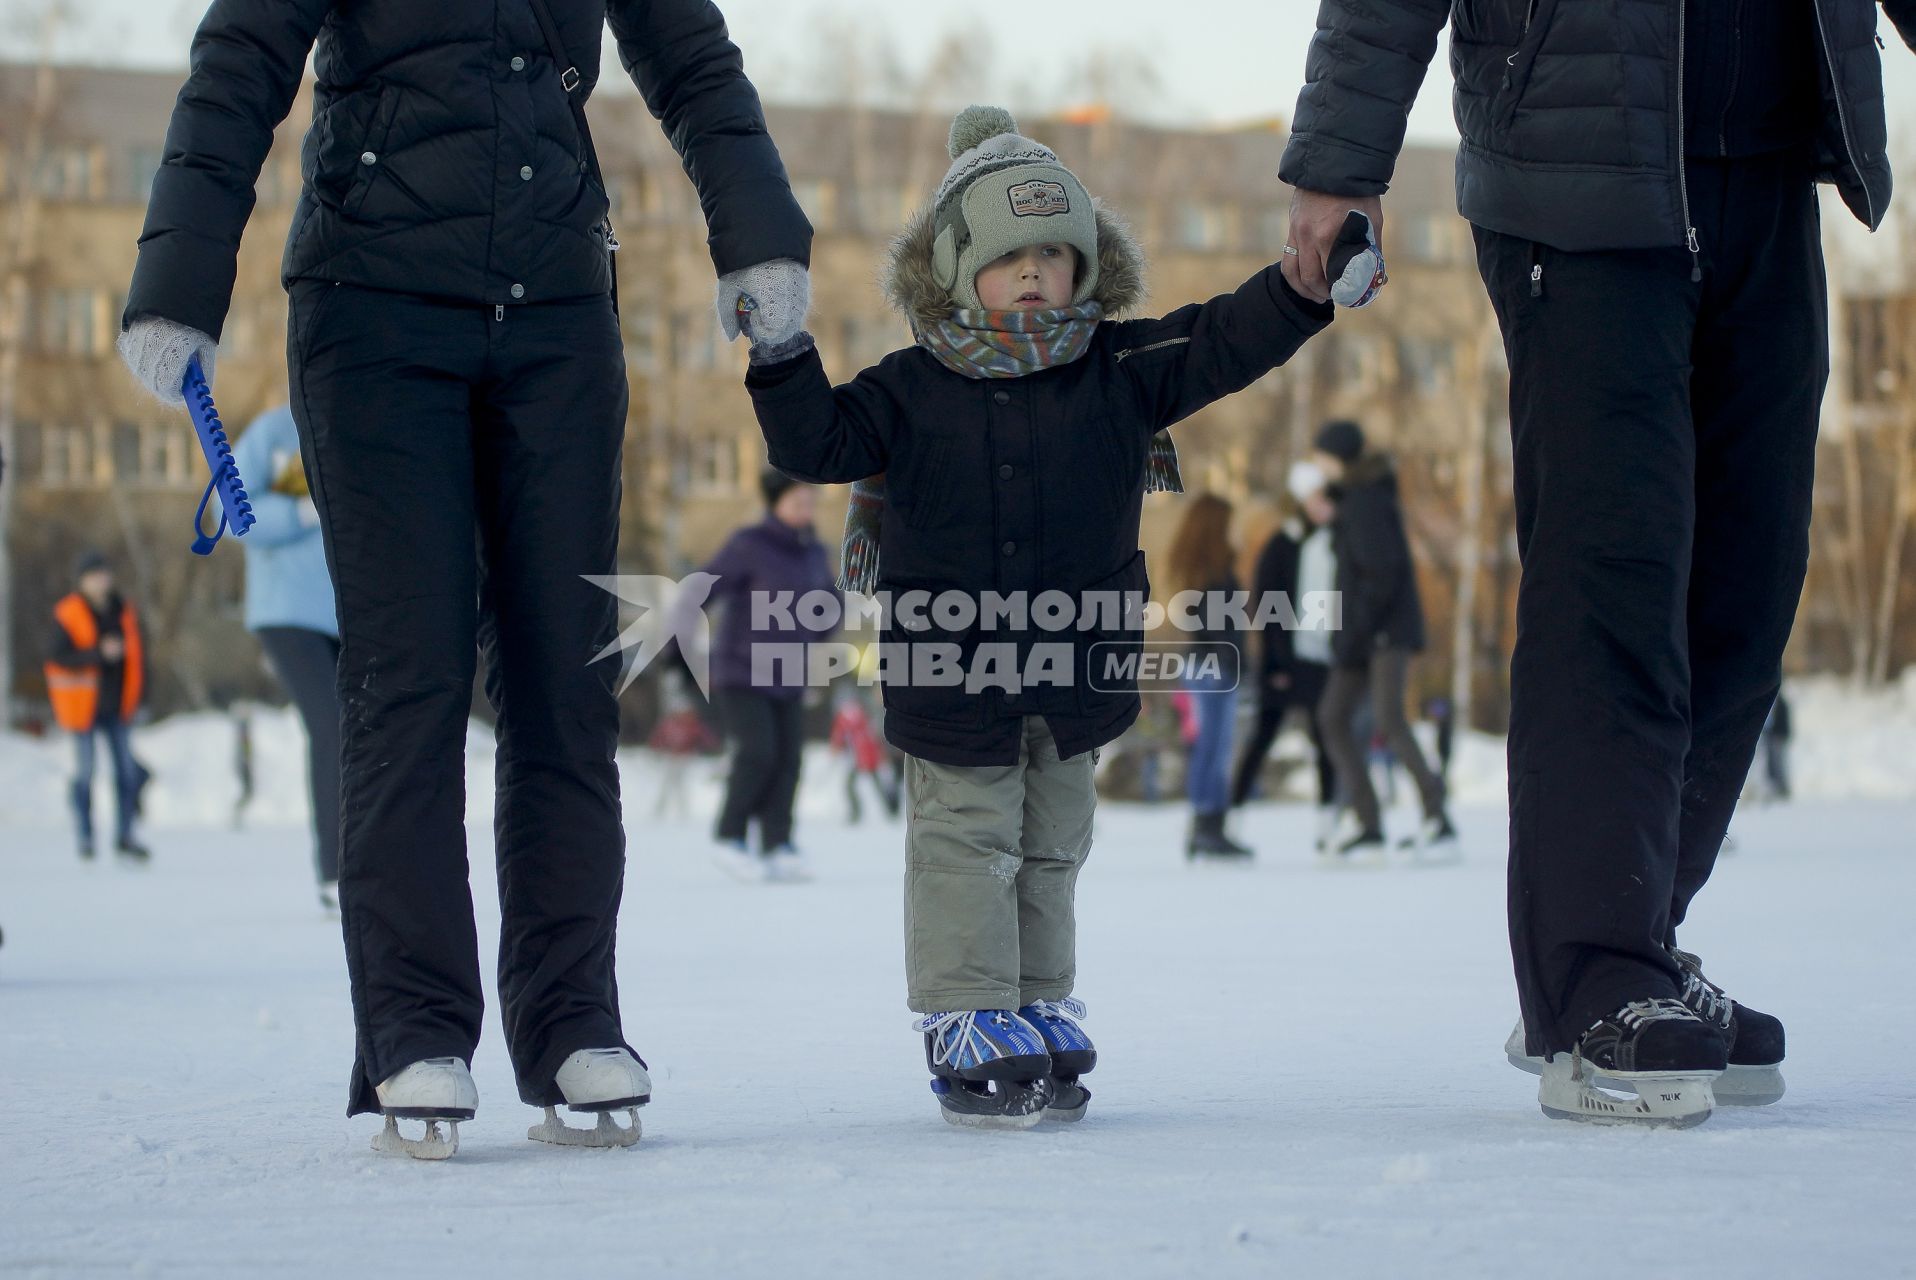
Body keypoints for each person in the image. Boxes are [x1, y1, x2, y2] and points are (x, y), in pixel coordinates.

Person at [116, 0, 814, 1157]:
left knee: (564, 677)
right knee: (409, 677)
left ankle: (573, 1018)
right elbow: (241, 58)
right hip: (372, 309)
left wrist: (757, 234)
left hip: (557, 312)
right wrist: (179, 282)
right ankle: (415, 1031)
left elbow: (691, 59)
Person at [1281, 0, 1913, 1125]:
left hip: (1767, 171)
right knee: (1611, 583)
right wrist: (1339, 157)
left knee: (1746, 587)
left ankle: (1638, 938)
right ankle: (1591, 974)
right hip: (1576, 177)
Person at [738, 106, 1333, 1127]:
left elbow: (1221, 341)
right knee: (967, 837)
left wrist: (1298, 289)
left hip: (1074, 668)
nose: (1032, 274)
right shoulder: (908, 388)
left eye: (1054, 255)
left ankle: (1034, 996)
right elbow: (819, 441)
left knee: (1053, 839)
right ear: (955, 266)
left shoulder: (1119, 371)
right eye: (1009, 256)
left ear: (1085, 268)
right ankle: (964, 1011)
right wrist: (780, 346)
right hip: (950, 670)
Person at [1309, 421, 1453, 857]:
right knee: (1332, 716)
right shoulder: (1351, 500)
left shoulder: (1366, 501)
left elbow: (1380, 574)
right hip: (1361, 632)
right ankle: (1368, 823)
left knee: (1390, 720)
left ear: (1337, 456)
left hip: (1383, 631)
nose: (1316, 464)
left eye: (1320, 455)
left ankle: (1438, 820)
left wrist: (1355, 631)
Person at [701, 469, 840, 883]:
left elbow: (826, 604)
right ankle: (730, 837)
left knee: (789, 760)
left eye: (810, 501)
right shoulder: (749, 545)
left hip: (789, 672)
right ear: (775, 504)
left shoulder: (814, 551)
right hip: (742, 670)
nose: (806, 509)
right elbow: (705, 588)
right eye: (797, 502)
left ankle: (778, 844)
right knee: (757, 752)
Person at [232, 405, 341, 912]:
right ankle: (336, 871)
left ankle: (373, 862)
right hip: (286, 610)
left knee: (373, 735)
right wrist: (301, 511)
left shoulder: (365, 418)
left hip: (354, 611)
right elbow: (229, 514)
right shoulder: (273, 431)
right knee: (331, 726)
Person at [1231, 461, 1337, 845]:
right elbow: (1266, 605)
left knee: (1327, 741)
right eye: (1316, 499)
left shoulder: (1328, 544)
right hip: (1284, 662)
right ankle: (1233, 817)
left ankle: (1328, 825)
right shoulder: (1282, 545)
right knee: (1262, 738)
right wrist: (1276, 662)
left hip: (1319, 661)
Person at [45, 551, 150, 863]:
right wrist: (97, 654)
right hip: (83, 708)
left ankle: (125, 836)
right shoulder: (69, 613)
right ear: (82, 581)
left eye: (103, 574)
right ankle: (85, 836)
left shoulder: (122, 611)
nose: (100, 581)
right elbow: (57, 657)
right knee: (87, 773)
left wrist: (142, 696)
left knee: (127, 774)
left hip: (118, 705)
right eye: (93, 576)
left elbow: (138, 659)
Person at [1168, 494, 1254, 860]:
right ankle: (1208, 825)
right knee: (1214, 749)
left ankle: (1207, 823)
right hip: (1215, 667)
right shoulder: (1215, 572)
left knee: (1211, 748)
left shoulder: (1200, 568)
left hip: (1206, 664)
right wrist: (1235, 665)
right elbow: (1221, 627)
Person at [1762, 689, 1793, 803]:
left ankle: (1781, 789)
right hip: (1777, 736)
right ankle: (1778, 787)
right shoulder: (1781, 703)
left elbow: (1777, 722)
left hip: (1777, 737)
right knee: (1775, 762)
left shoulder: (1779, 704)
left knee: (1777, 763)